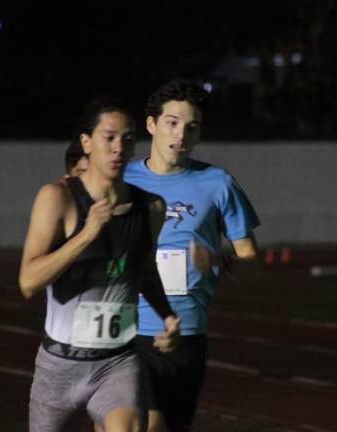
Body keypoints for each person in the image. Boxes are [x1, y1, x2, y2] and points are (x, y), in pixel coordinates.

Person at [19, 97, 180, 432]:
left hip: (117, 362)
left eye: (128, 138)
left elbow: (145, 270)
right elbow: (28, 282)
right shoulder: (58, 198)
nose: (118, 147)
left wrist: (166, 315)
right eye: (108, 137)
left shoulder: (151, 207)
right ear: (87, 142)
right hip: (59, 365)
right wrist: (86, 233)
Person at [124, 79, 260, 432]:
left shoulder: (218, 183)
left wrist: (217, 260)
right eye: (171, 122)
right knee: (145, 425)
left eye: (191, 126)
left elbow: (248, 254)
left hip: (188, 332)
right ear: (151, 124)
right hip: (130, 330)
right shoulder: (123, 179)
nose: (181, 133)